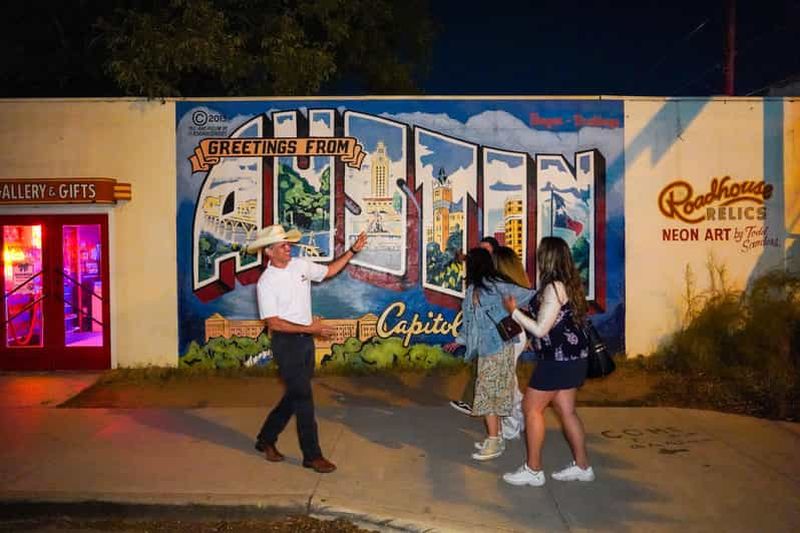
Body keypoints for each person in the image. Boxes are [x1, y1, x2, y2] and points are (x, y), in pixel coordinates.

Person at [249, 224, 367, 474]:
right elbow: (274, 323)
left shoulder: (300, 266)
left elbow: (329, 271)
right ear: (268, 252)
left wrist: (352, 251)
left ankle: (265, 438)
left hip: (305, 343)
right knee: (303, 398)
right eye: (282, 244)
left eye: (287, 242)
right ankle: (312, 456)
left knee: (294, 395)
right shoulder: (265, 283)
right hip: (286, 344)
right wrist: (311, 328)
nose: (288, 247)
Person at [501, 236, 594, 487]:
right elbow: (558, 324)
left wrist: (514, 312)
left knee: (531, 409)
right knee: (567, 411)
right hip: (573, 359)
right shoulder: (571, 285)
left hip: (557, 362)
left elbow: (542, 328)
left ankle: (533, 470)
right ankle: (583, 466)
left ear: (547, 258)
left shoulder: (553, 288)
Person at [444, 248, 534, 461]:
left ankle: (494, 440)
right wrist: (459, 342)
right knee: (491, 393)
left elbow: (528, 296)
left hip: (499, 347)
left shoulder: (497, 286)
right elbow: (468, 323)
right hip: (485, 349)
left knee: (487, 394)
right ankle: (498, 436)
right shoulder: (472, 290)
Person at [448, 235, 501, 416]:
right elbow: (470, 316)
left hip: (495, 340)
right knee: (484, 373)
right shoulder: (483, 282)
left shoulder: (493, 281)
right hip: (492, 340)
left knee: (493, 378)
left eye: (485, 250)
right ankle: (477, 405)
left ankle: (500, 420)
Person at [492, 246, 532, 442]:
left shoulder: (500, 285)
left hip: (507, 333)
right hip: (516, 331)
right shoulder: (520, 285)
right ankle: (523, 416)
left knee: (504, 381)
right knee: (508, 379)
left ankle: (512, 425)